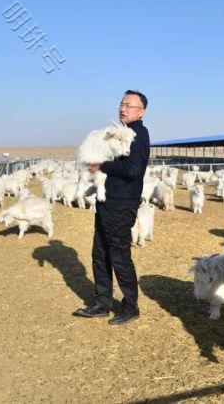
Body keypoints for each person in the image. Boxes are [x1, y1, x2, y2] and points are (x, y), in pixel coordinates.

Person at [74, 90, 150, 325]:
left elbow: (133, 170)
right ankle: (102, 302)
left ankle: (130, 306)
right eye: (121, 104)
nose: (123, 108)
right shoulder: (116, 132)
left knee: (119, 255)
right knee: (100, 253)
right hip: (107, 202)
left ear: (141, 111)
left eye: (129, 105)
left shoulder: (138, 133)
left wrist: (102, 167)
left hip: (121, 204)